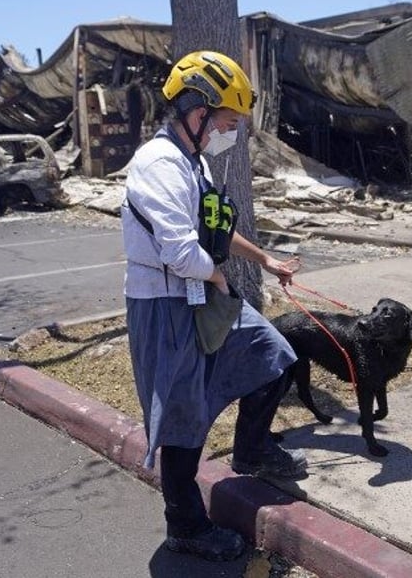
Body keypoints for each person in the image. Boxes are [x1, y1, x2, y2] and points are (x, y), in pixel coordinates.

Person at [120, 50, 307, 562]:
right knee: (181, 417)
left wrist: (264, 259)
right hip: (165, 304)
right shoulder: (158, 165)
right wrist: (222, 277)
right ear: (196, 110)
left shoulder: (192, 160)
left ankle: (251, 449)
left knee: (272, 355)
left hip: (202, 292)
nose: (228, 133)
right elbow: (181, 252)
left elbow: (214, 228)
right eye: (226, 122)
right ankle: (186, 525)